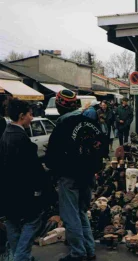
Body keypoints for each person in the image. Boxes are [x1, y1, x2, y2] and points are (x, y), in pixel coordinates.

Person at [46, 90, 106, 261]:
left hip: (69, 178)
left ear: (60, 106)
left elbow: (51, 158)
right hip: (87, 176)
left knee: (70, 215)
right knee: (81, 213)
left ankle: (78, 253)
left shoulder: (62, 127)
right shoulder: (89, 122)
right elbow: (102, 148)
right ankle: (89, 249)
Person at [0, 99, 47, 261]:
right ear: (21, 116)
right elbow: (32, 170)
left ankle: (19, 255)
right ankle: (21, 257)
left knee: (12, 224)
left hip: (7, 192)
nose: (32, 118)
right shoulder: (20, 138)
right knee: (34, 220)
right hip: (21, 191)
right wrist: (44, 188)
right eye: (30, 115)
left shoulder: (6, 134)